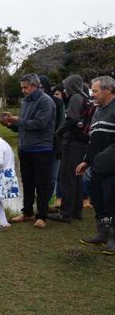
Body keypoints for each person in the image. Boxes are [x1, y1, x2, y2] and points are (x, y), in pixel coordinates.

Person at [0, 73, 56, 229]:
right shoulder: (25, 102)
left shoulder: (46, 101)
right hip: (25, 148)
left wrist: (18, 120)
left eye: (26, 87)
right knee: (27, 182)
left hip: (42, 148)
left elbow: (39, 124)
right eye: (22, 87)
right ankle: (27, 212)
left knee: (42, 183)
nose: (23, 90)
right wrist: (10, 123)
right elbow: (23, 126)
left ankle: (42, 216)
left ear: (35, 85)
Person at [76, 76, 115, 255]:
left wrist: (105, 157)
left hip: (112, 167)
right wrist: (86, 160)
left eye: (95, 91)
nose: (92, 94)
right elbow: (93, 140)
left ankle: (113, 240)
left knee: (111, 202)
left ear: (108, 90)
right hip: (97, 166)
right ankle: (102, 234)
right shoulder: (97, 111)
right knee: (98, 200)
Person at [50, 74, 88, 222]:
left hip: (72, 143)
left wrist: (58, 132)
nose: (64, 89)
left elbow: (72, 119)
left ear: (71, 85)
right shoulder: (84, 97)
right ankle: (76, 211)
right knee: (77, 177)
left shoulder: (75, 98)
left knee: (68, 178)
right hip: (81, 143)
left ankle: (65, 213)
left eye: (66, 85)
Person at [40, 75, 65, 209]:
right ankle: (40, 205)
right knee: (39, 178)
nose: (39, 90)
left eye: (42, 87)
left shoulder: (57, 102)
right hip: (38, 146)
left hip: (54, 145)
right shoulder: (32, 102)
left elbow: (61, 124)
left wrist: (58, 144)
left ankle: (46, 204)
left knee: (52, 177)